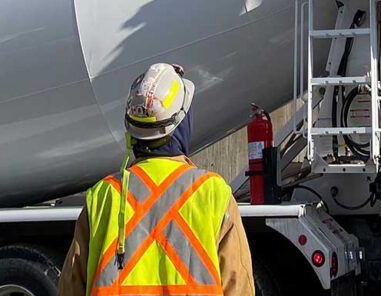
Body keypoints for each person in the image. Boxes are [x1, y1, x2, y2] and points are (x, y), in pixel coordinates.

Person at [59, 62, 255, 296]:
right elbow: (238, 285)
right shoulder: (212, 194)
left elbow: (71, 288)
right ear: (183, 124)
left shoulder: (102, 197)